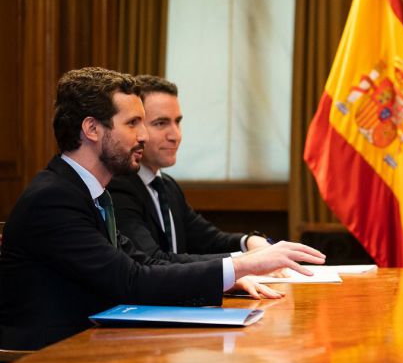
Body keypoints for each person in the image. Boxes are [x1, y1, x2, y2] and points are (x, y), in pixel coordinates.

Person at [0, 67, 325, 350]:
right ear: (92, 129)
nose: (143, 136)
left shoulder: (90, 193)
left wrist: (232, 272)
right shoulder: (54, 198)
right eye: (132, 123)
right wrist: (241, 266)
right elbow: (131, 280)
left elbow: (144, 261)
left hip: (96, 346)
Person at [107, 75, 281, 299]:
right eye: (161, 123)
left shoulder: (166, 186)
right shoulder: (118, 187)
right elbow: (154, 259)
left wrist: (248, 242)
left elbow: (208, 239)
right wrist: (243, 264)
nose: (175, 135)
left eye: (177, 122)